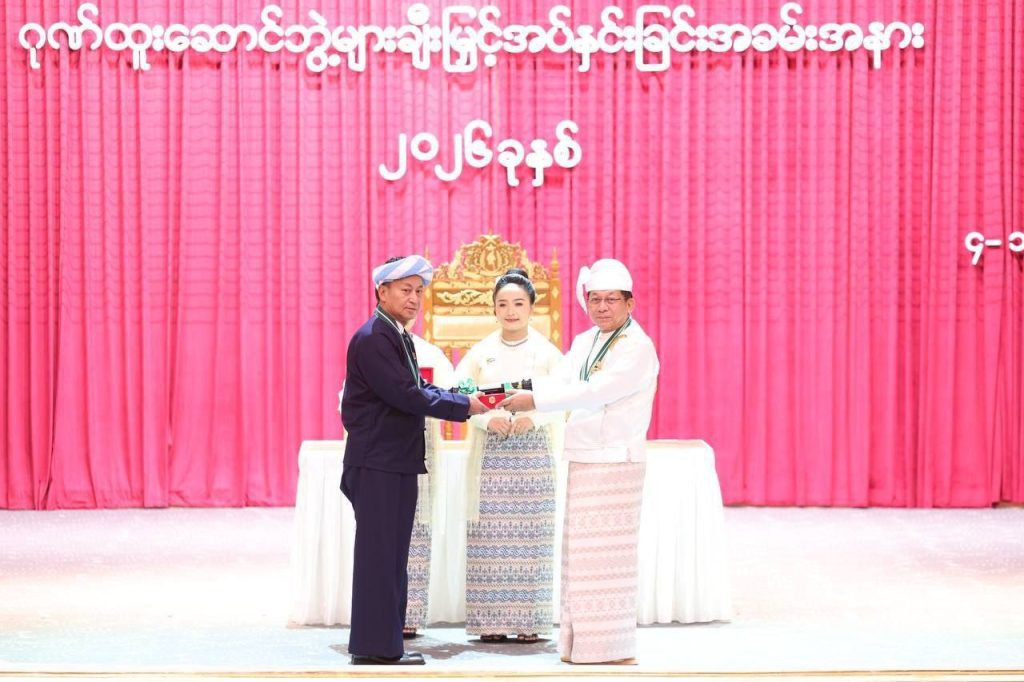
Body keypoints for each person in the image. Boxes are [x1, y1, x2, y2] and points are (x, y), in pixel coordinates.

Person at [499, 258, 659, 665]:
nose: (602, 307)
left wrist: (535, 401)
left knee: (605, 562)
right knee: (579, 559)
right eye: (595, 299)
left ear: (630, 303)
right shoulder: (587, 339)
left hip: (616, 461)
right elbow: (563, 380)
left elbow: (596, 391)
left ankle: (610, 649)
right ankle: (577, 646)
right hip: (584, 455)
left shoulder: (637, 346)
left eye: (611, 300)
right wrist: (511, 390)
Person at [340, 255, 489, 666]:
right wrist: (464, 406)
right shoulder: (374, 337)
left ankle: (385, 643)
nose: (414, 298)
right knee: (379, 558)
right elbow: (406, 395)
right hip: (378, 463)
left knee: (391, 558)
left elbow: (418, 386)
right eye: (405, 290)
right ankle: (376, 647)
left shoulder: (396, 334)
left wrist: (461, 399)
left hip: (394, 462)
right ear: (382, 291)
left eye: (419, 291)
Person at [454, 268, 564, 643]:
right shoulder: (480, 353)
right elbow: (458, 392)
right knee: (489, 539)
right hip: (492, 457)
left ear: (532, 307)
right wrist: (488, 419)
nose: (511, 311)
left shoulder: (548, 354)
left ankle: (530, 622)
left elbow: (566, 398)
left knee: (532, 538)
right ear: (494, 309)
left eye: (518, 303)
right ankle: (491, 622)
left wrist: (535, 418)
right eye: (503, 304)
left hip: (534, 456)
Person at [402, 331, 456, 639]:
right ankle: (381, 613)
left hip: (424, 449)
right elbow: (348, 399)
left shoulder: (430, 353)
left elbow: (451, 394)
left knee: (418, 531)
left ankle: (409, 613)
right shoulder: (371, 346)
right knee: (382, 533)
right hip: (384, 449)